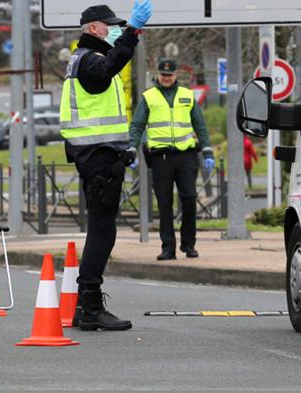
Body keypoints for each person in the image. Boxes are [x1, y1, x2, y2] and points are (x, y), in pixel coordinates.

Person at [60, 1, 152, 331]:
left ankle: (87, 305)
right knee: (102, 230)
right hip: (96, 157)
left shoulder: (83, 59)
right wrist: (132, 32)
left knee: (103, 228)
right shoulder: (90, 60)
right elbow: (108, 69)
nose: (114, 29)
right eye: (110, 25)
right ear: (94, 29)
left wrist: (121, 147)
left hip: (100, 154)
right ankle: (89, 305)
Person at [129, 59, 215, 261]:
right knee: (165, 203)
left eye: (170, 75)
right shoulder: (148, 97)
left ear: (176, 75)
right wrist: (131, 148)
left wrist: (208, 152)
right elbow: (137, 125)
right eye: (163, 75)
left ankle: (189, 244)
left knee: (190, 199)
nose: (166, 78)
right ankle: (168, 248)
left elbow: (200, 125)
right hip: (161, 158)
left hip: (186, 156)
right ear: (158, 75)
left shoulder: (187, 95)